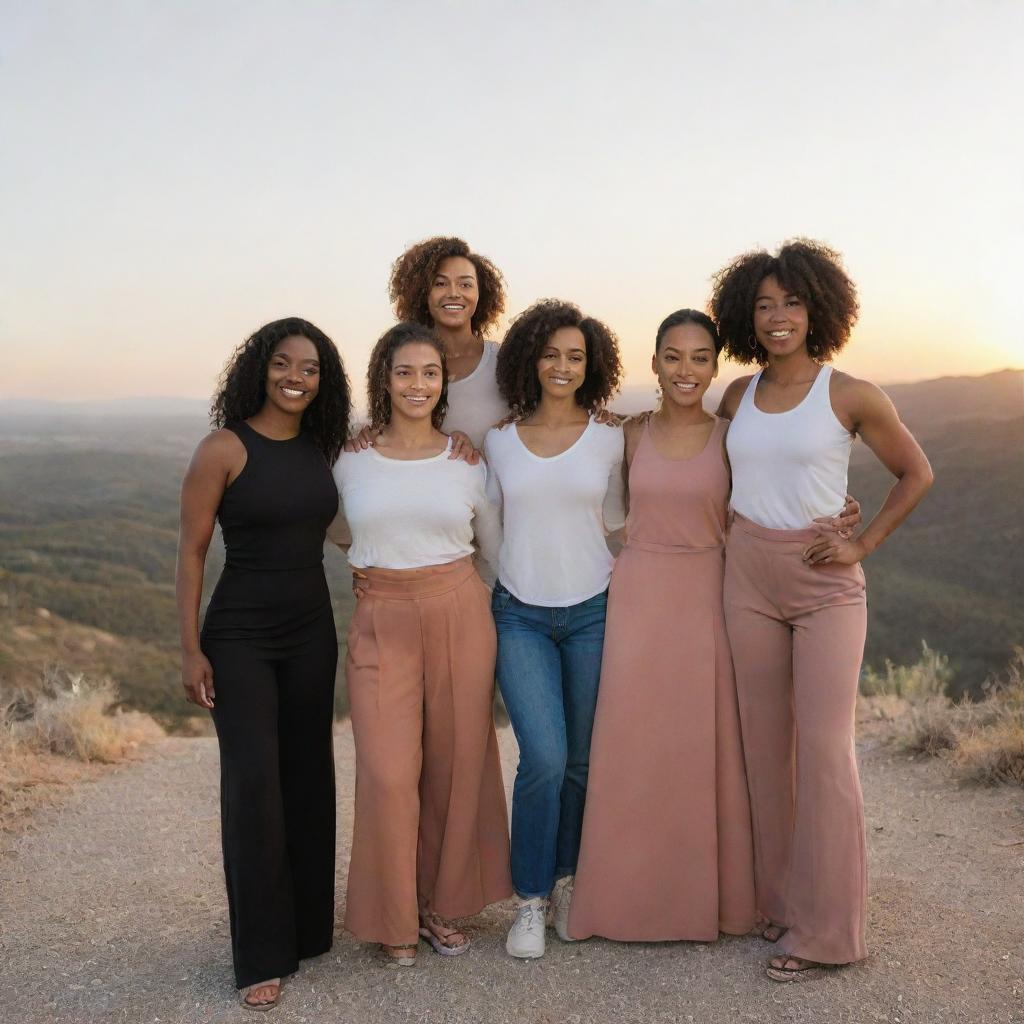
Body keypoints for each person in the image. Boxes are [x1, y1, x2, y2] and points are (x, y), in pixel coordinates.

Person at [711, 239, 934, 981]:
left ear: (819, 308)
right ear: (747, 314)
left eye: (793, 302)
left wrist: (860, 542)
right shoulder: (737, 397)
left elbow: (916, 472)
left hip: (822, 582)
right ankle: (781, 905)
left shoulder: (851, 394)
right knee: (765, 751)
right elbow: (713, 478)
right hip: (746, 575)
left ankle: (830, 931)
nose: (778, 317)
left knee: (826, 749)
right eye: (764, 304)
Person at [175, 317, 350, 1010]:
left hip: (312, 632)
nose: (295, 377)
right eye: (283, 363)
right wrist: (189, 649)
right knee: (254, 788)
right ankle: (260, 954)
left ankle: (307, 930)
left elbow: (352, 524)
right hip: (240, 637)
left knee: (309, 777)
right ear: (259, 368)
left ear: (322, 382)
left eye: (309, 368)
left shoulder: (321, 448)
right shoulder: (223, 447)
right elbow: (190, 552)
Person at [568, 310, 757, 943]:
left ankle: (705, 902)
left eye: (700, 358)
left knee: (699, 748)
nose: (686, 370)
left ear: (714, 367)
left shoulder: (733, 435)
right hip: (638, 596)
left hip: (707, 595)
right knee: (632, 749)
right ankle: (618, 901)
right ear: (653, 363)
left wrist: (838, 511)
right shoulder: (626, 434)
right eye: (672, 356)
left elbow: (771, 497)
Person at [329, 321, 512, 966]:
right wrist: (373, 559)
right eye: (404, 372)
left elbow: (493, 547)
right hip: (382, 617)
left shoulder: (465, 460)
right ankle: (392, 915)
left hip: (460, 611)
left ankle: (437, 907)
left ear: (443, 385)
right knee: (385, 771)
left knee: (454, 767)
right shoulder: (349, 456)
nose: (417, 383)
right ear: (384, 378)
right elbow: (329, 521)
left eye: (429, 373)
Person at [483, 299, 625, 959]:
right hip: (520, 614)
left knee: (580, 762)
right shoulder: (499, 441)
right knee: (542, 758)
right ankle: (530, 900)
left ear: (591, 363)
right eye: (550, 353)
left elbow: (633, 518)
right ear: (529, 360)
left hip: (594, 609)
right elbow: (480, 524)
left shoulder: (611, 437)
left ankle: (567, 881)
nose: (562, 366)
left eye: (574, 355)